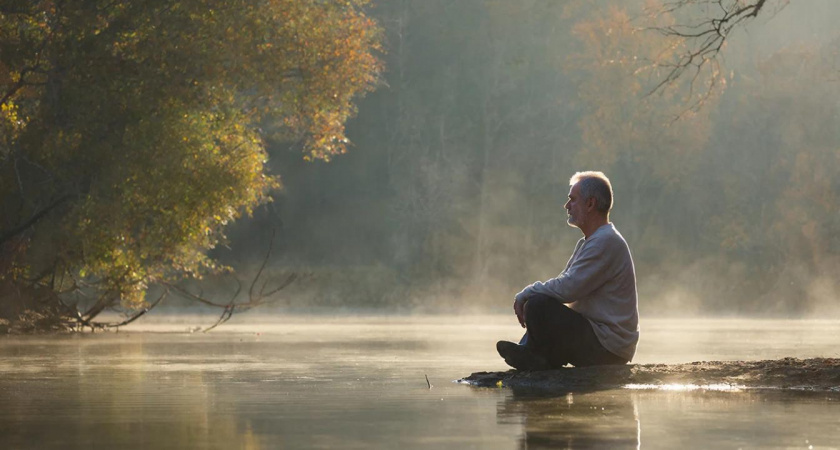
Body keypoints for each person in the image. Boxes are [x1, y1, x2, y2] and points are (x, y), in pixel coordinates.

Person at [497, 171, 639, 370]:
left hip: (608, 348)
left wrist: (526, 293)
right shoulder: (592, 241)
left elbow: (567, 290)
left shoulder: (606, 241)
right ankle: (535, 353)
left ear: (590, 204)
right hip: (601, 340)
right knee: (540, 301)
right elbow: (566, 283)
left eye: (572, 200)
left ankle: (537, 355)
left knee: (538, 304)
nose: (567, 206)